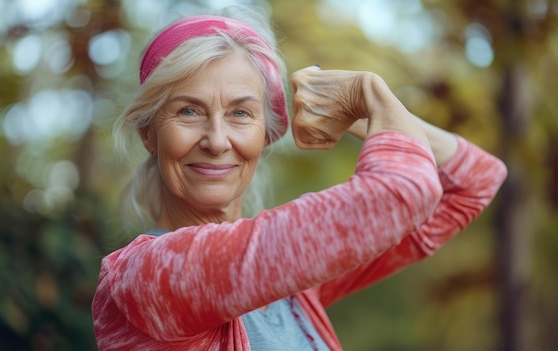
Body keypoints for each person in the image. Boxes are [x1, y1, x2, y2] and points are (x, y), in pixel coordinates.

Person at [91, 6, 507, 351]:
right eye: (188, 111)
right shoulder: (143, 277)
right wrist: (375, 96)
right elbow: (401, 193)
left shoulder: (290, 287)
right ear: (149, 135)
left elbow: (475, 182)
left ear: (265, 135)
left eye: (240, 113)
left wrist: (373, 118)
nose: (217, 141)